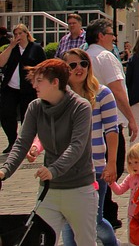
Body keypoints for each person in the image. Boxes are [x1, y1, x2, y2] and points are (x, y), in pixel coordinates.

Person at [0, 58, 97, 244]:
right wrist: (4, 171)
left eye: (39, 81)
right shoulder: (35, 107)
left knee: (86, 241)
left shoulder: (81, 107)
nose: (34, 85)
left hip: (80, 189)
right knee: (38, 240)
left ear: (55, 83)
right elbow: (21, 143)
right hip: (49, 192)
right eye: (34, 80)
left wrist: (53, 169)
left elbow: (77, 146)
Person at [61, 46, 121, 246]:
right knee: (70, 219)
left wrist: (111, 163)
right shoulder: (60, 96)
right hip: (67, 169)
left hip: (95, 166)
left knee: (94, 220)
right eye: (73, 65)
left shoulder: (103, 93)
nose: (79, 68)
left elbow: (112, 130)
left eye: (84, 64)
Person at [0, 23, 45, 152]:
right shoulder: (12, 48)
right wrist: (11, 46)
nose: (18, 36)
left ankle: (26, 143)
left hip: (28, 88)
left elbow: (43, 67)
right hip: (10, 87)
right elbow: (1, 62)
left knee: (27, 116)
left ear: (26, 34)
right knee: (6, 114)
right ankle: (12, 141)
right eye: (15, 34)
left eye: (20, 33)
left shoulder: (35, 48)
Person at [109, 141, 139, 227]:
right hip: (133, 216)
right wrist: (111, 182)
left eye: (136, 162)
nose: (133, 166)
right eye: (130, 163)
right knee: (132, 239)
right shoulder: (131, 177)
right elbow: (119, 190)